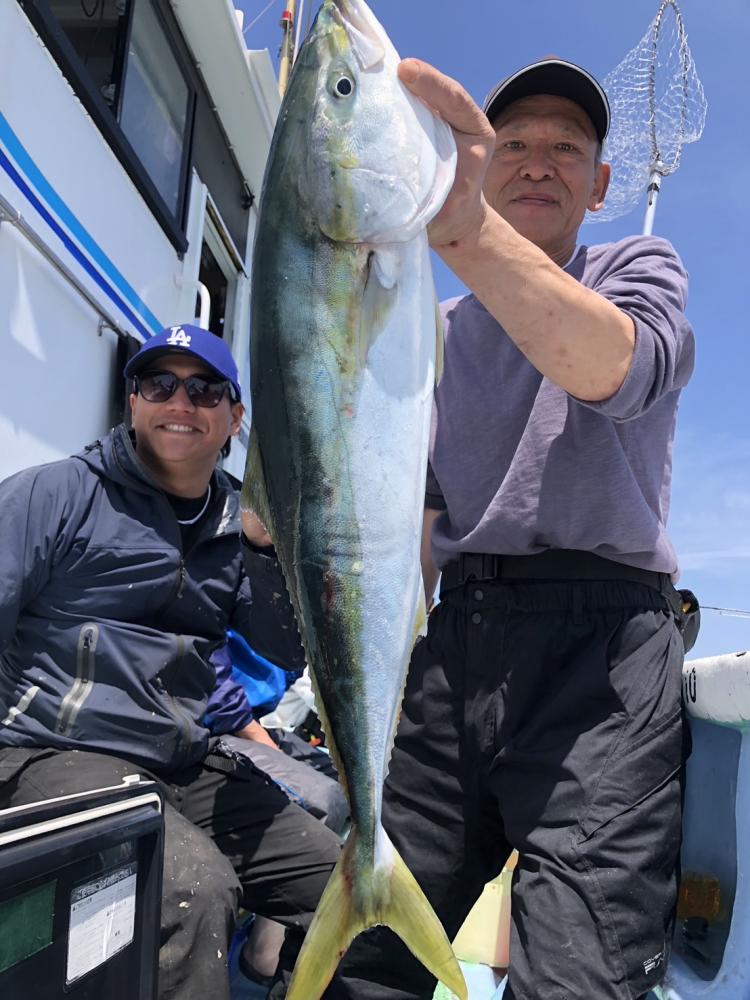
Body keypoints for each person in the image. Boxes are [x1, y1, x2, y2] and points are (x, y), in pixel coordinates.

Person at [317, 56, 698, 999]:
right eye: (515, 142)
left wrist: (462, 229)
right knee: (365, 968)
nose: (536, 161)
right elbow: (418, 511)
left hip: (605, 656)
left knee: (577, 974)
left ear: (599, 185)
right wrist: (378, 679)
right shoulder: (431, 325)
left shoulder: (638, 269)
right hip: (456, 644)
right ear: (479, 166)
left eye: (565, 148)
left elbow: (613, 368)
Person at [0, 323, 341, 1000]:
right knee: (194, 891)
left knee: (352, 890)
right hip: (53, 752)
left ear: (234, 418)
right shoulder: (56, 493)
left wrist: (265, 550)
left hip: (182, 762)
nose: (180, 402)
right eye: (159, 384)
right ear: (133, 401)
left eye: (205, 389)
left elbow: (284, 650)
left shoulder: (237, 520)